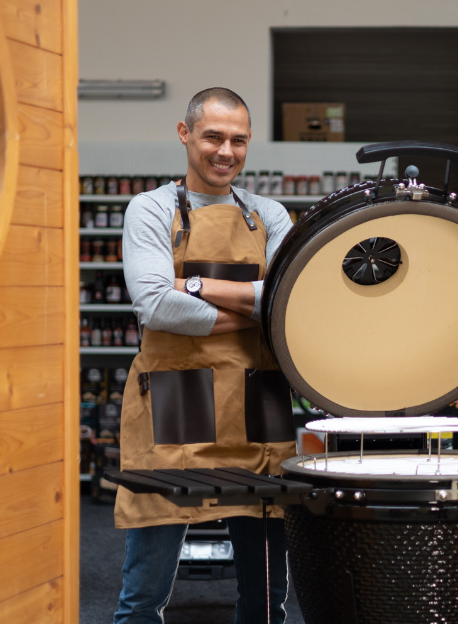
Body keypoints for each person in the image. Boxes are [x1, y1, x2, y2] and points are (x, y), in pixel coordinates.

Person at [112, 87, 296, 624]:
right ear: (185, 133)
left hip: (256, 410)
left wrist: (190, 284)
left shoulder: (270, 215)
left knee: (266, 599)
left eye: (238, 140)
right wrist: (255, 308)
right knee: (142, 596)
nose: (226, 152)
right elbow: (156, 305)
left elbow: (291, 302)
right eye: (213, 136)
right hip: (173, 402)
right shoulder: (150, 209)